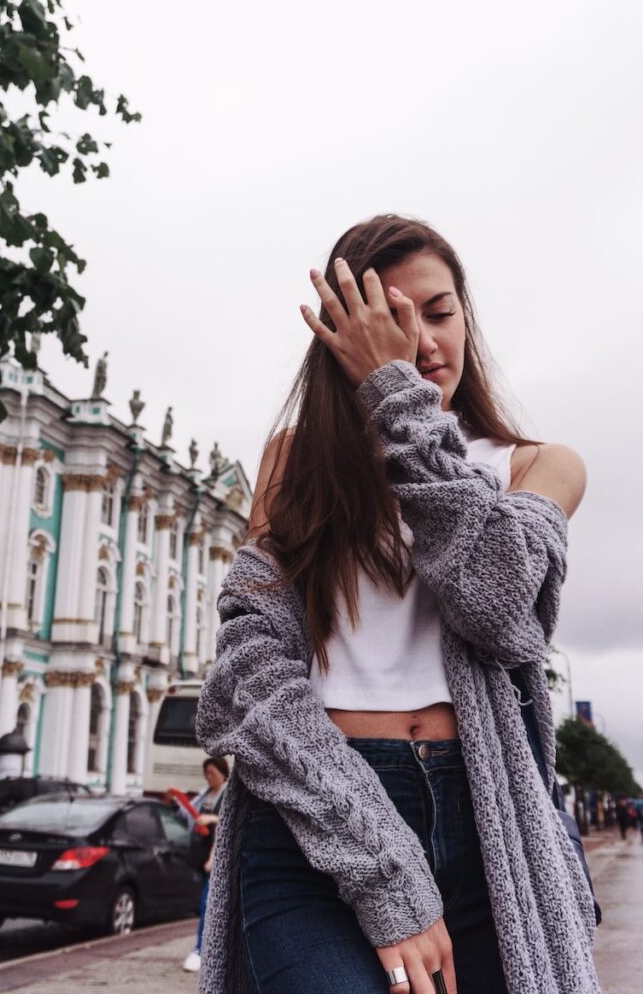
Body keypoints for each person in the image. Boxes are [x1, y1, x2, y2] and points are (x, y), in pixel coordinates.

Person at [195, 215, 601, 994]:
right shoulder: (291, 462)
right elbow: (248, 665)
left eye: (439, 313)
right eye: (390, 320)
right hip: (315, 809)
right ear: (342, 335)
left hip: (487, 822)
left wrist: (399, 405)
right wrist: (381, 867)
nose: (419, 343)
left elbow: (498, 605)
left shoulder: (539, 465)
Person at [181, 756, 229, 973]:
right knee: (209, 904)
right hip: (201, 857)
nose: (209, 778)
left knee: (207, 904)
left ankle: (200, 949)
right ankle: (211, 949)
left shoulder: (227, 794)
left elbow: (227, 824)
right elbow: (187, 814)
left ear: (222, 772)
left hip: (216, 858)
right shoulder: (205, 795)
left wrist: (211, 820)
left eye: (212, 773)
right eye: (206, 774)